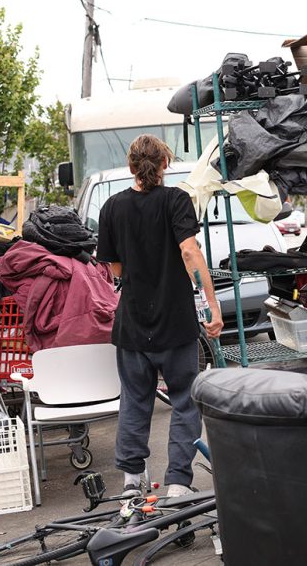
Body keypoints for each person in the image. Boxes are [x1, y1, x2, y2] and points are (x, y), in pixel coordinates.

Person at [96, 134, 223, 499]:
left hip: (132, 325)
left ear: (130, 167)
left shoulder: (112, 208)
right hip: (176, 324)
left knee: (135, 400)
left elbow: (116, 268)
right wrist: (211, 306)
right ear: (164, 164)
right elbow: (189, 253)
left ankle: (132, 482)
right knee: (185, 400)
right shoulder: (176, 201)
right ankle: (178, 485)